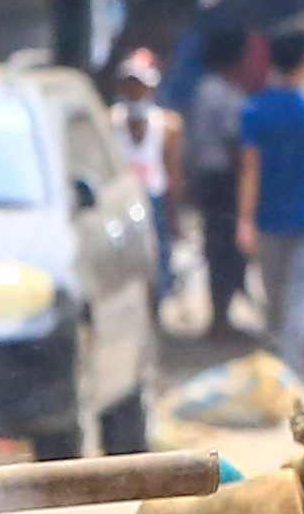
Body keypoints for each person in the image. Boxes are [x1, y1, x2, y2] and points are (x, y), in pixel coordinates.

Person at [236, 23, 304, 367]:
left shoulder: (254, 111)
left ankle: (278, 362)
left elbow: (249, 168)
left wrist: (245, 219)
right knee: (302, 295)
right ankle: (290, 366)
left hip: (269, 218)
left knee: (275, 296)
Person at [179, 26, 255, 333]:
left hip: (211, 176)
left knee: (219, 243)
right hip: (222, 177)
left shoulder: (205, 88)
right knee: (223, 245)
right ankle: (220, 316)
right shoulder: (218, 91)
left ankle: (223, 312)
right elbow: (231, 139)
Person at [107, 47, 181, 325]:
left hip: (154, 198)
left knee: (159, 258)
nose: (134, 91)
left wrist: (175, 214)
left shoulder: (168, 125)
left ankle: (155, 313)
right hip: (121, 202)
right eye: (129, 85)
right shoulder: (109, 121)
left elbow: (172, 171)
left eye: (139, 85)